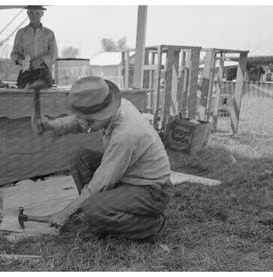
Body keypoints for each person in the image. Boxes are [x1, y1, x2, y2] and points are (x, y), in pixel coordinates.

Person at [33, 76, 173, 241]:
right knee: (80, 157)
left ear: (104, 113)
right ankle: (97, 215)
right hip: (129, 175)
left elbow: (101, 182)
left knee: (92, 208)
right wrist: (53, 125)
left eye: (88, 120)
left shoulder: (126, 134)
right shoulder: (111, 107)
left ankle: (152, 225)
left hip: (152, 191)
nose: (83, 124)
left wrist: (65, 212)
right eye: (80, 116)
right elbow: (80, 121)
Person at [11, 5, 58, 88]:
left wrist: (40, 61)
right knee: (23, 99)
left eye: (37, 13)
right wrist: (22, 60)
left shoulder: (49, 34)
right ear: (28, 13)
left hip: (43, 73)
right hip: (26, 73)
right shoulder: (21, 33)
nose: (34, 16)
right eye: (31, 13)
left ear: (42, 14)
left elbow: (53, 55)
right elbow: (14, 53)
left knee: (45, 99)